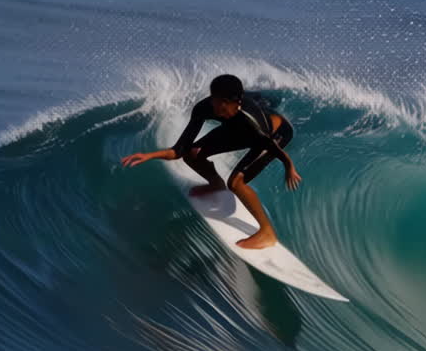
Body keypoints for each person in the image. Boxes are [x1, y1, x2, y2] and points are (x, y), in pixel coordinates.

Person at [121, 74, 302, 249]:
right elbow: (180, 150)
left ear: (235, 102)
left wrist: (289, 166)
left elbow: (273, 148)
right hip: (236, 129)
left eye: (223, 104)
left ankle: (267, 232)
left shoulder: (252, 121)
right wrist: (149, 155)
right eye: (215, 100)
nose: (217, 107)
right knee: (192, 153)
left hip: (273, 134)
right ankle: (216, 184)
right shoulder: (206, 108)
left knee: (236, 182)